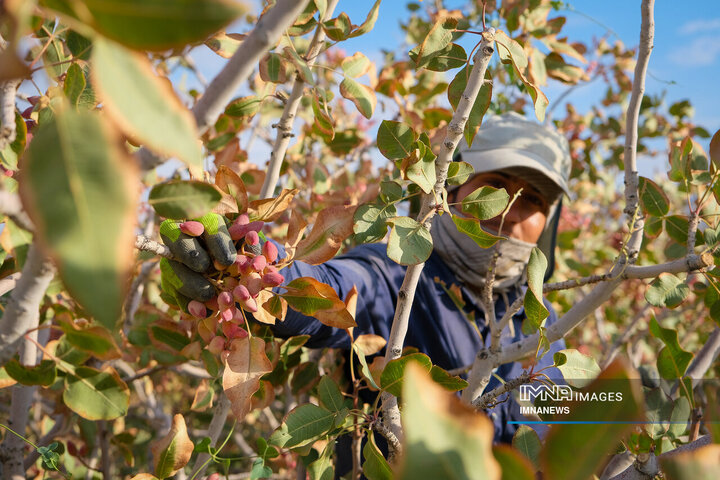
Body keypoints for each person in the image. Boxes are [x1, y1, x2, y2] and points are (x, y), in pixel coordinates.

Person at [159, 112, 571, 464]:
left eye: (533, 199)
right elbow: (335, 288)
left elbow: (566, 419)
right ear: (450, 188)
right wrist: (254, 275)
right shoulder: (399, 270)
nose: (510, 210)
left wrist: (626, 424)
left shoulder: (541, 320)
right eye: (495, 186)